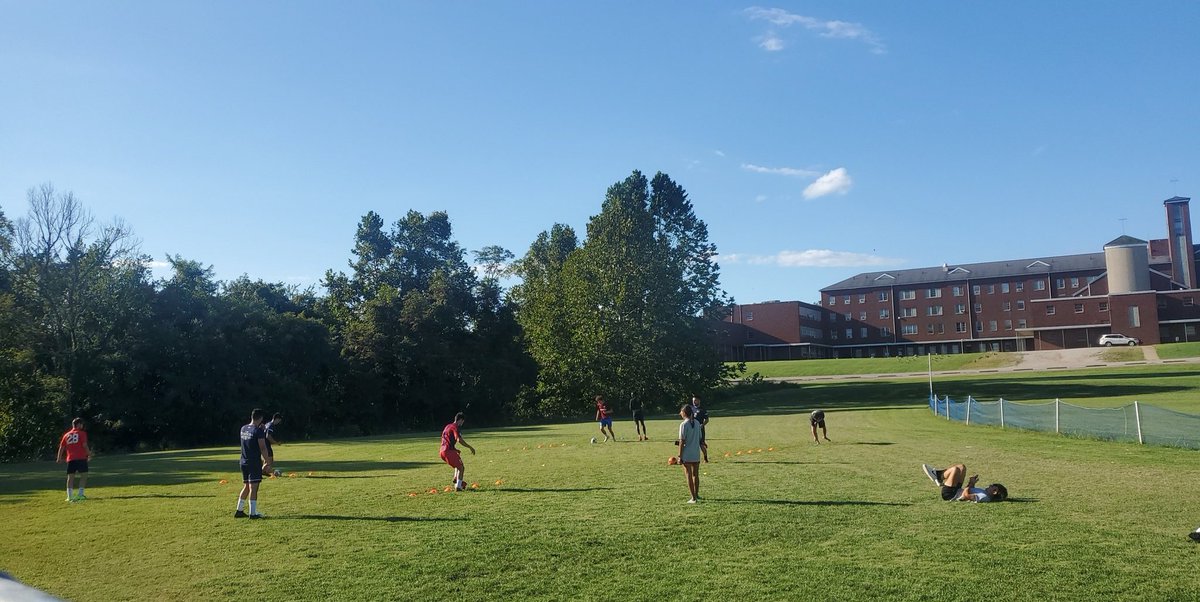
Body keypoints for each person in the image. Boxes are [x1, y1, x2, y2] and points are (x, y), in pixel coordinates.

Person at [235, 408, 272, 518]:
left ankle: (239, 510)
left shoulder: (243, 428)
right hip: (254, 463)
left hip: (243, 461)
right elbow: (263, 447)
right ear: (261, 418)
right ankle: (253, 513)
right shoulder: (258, 431)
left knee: (246, 486)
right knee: (254, 488)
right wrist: (267, 461)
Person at [921, 463, 1008, 502]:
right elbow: (970, 490)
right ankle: (939, 476)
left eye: (993, 486)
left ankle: (938, 475)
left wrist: (970, 484)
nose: (990, 485)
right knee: (962, 467)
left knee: (955, 469)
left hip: (950, 495)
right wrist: (972, 483)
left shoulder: (984, 497)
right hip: (956, 490)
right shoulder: (984, 493)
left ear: (994, 492)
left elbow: (966, 495)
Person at [56, 417, 91, 502]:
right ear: (78, 424)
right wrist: (89, 454)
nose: (82, 426)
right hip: (81, 457)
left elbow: (61, 447)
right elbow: (84, 445)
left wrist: (59, 457)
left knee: (70, 477)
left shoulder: (66, 435)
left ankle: (69, 496)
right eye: (81, 424)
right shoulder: (82, 433)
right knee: (84, 475)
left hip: (70, 459)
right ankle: (80, 495)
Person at [440, 412, 476, 491]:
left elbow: (446, 440)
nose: (462, 424)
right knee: (461, 468)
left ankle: (456, 478)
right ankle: (458, 486)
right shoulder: (455, 427)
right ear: (460, 420)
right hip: (448, 451)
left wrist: (454, 449)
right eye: (462, 422)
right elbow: (459, 440)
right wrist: (470, 447)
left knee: (458, 465)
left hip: (442, 451)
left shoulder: (447, 426)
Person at [676, 404, 703, 503]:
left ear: (684, 413)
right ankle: (696, 494)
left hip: (687, 454)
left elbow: (682, 441)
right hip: (696, 453)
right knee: (696, 475)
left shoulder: (683, 424)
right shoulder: (697, 422)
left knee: (688, 475)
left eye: (681, 412)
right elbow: (700, 438)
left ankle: (693, 498)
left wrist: (680, 456)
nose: (680, 413)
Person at [690, 395, 709, 462]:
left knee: (701, 444)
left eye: (695, 400)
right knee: (691, 443)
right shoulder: (690, 408)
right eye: (693, 400)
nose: (694, 402)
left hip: (699, 429)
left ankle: (705, 458)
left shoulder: (702, 409)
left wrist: (702, 425)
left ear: (699, 401)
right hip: (691, 429)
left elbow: (707, 420)